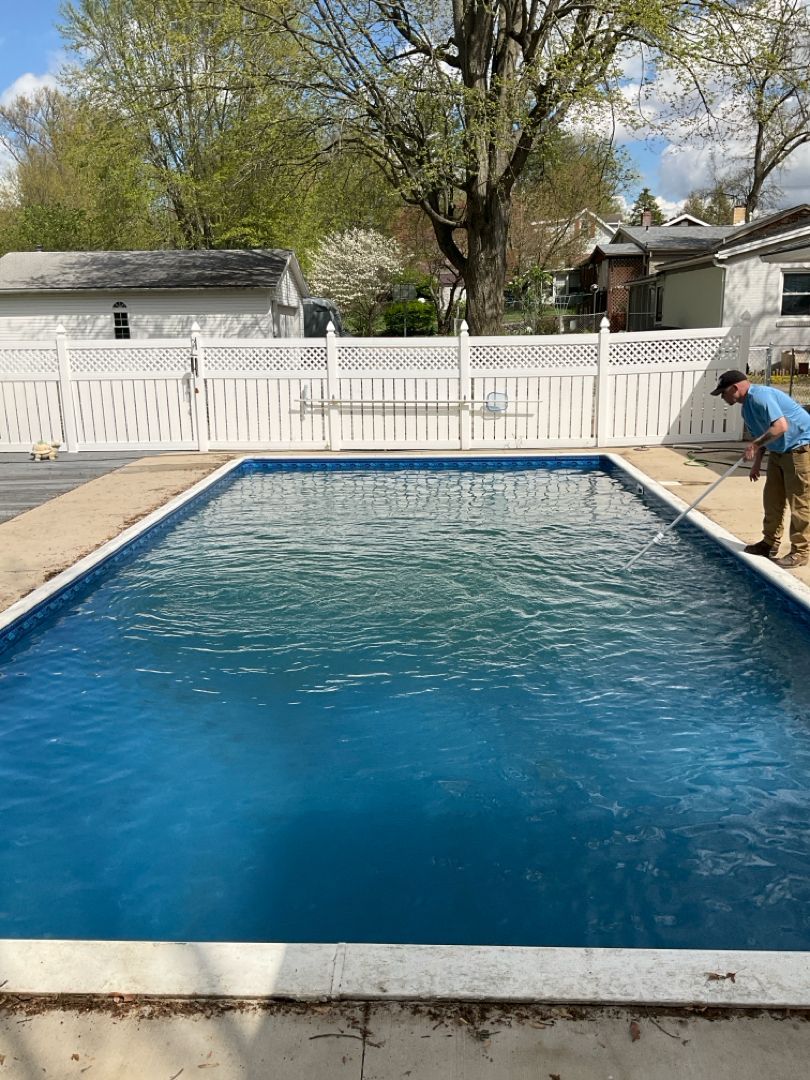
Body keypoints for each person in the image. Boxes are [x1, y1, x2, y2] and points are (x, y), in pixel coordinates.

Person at [711, 369, 810, 569]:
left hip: (799, 448)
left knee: (799, 502)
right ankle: (769, 543)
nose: (722, 397)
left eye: (723, 393)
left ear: (735, 388)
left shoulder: (760, 397)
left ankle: (801, 552)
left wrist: (754, 445)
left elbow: (780, 426)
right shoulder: (745, 409)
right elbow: (763, 434)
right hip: (778, 451)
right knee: (772, 499)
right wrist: (756, 463)